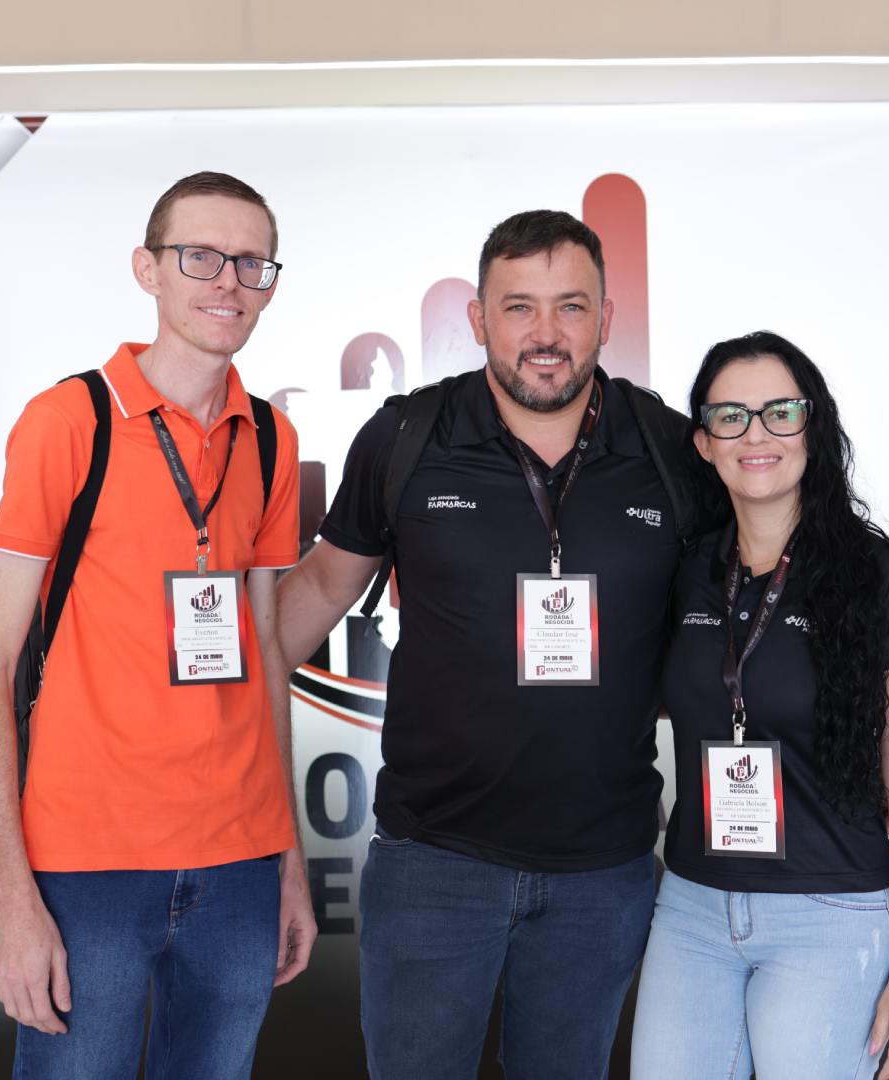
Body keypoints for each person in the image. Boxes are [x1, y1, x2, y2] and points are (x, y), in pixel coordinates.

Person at [276, 210, 691, 1079]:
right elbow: (315, 592)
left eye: (571, 306)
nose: (547, 334)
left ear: (607, 319)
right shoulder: (406, 438)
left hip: (602, 871)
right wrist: (193, 696)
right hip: (434, 865)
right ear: (477, 319)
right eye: (519, 307)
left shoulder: (667, 451)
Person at [0, 171, 316, 1079]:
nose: (228, 281)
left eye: (251, 263)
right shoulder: (67, 422)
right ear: (147, 270)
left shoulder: (271, 438)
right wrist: (12, 896)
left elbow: (266, 656)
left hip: (240, 863)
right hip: (86, 864)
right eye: (200, 256)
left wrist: (288, 858)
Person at [629, 331, 889, 1080]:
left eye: (780, 412)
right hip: (691, 911)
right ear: (704, 443)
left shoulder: (882, 581)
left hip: (831, 916)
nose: (756, 435)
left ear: (813, 426)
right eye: (730, 417)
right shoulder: (683, 575)